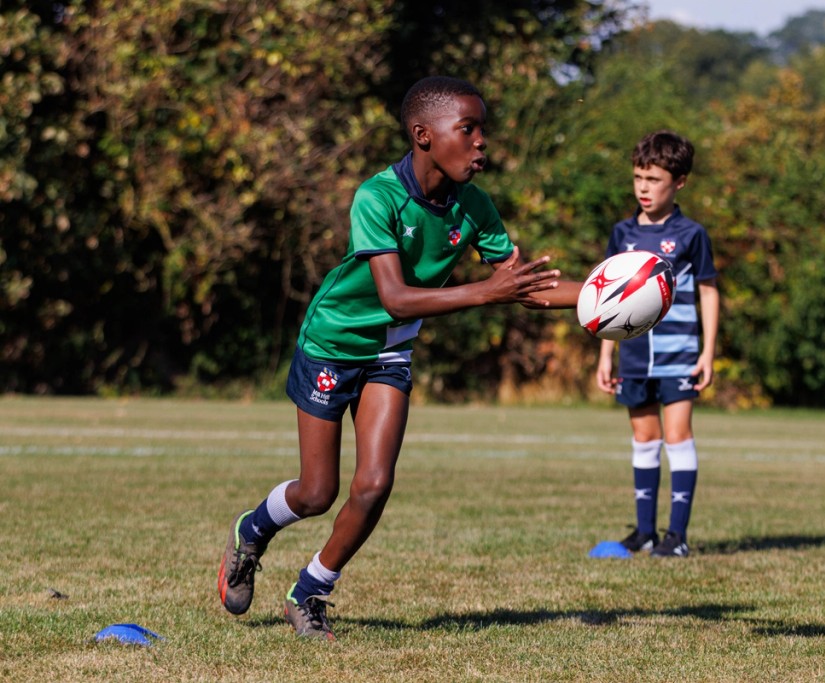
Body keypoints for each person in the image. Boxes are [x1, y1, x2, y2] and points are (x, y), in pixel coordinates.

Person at [217, 76, 581, 640]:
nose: (483, 141)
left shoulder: (475, 205)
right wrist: (486, 293)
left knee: (375, 483)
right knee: (317, 492)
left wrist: (611, 292)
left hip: (390, 352)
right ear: (423, 135)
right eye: (469, 128)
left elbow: (523, 284)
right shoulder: (378, 197)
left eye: (483, 129)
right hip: (332, 344)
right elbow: (396, 297)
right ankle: (253, 529)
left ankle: (310, 590)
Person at [595, 130, 720, 558]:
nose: (644, 188)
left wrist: (707, 352)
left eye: (654, 180)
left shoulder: (691, 234)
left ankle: (677, 537)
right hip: (633, 355)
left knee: (677, 435)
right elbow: (605, 300)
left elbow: (708, 291)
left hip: (679, 354)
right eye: (638, 178)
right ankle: (645, 532)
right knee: (644, 438)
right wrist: (605, 353)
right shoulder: (622, 233)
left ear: (679, 182)